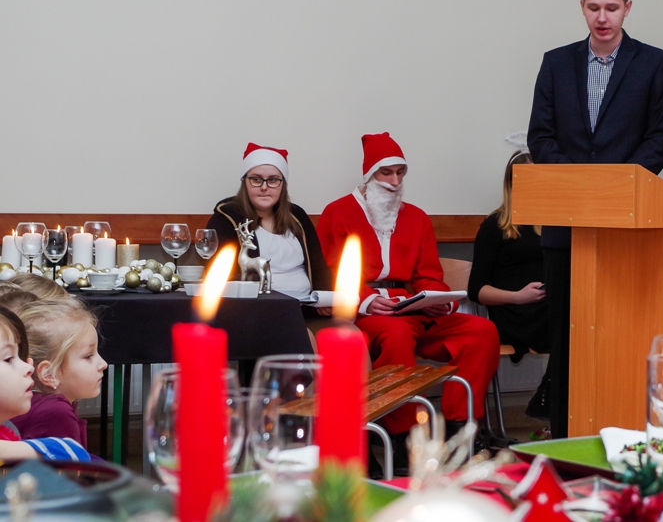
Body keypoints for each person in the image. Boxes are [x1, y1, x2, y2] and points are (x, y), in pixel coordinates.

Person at [526, 0, 663, 438]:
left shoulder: (655, 63)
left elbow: (659, 139)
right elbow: (540, 136)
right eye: (594, 7)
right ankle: (563, 438)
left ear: (628, 7)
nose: (602, 17)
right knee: (566, 341)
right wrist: (582, 185)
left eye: (612, 7)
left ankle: (624, 433)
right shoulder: (556, 62)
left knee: (619, 339)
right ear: (582, 6)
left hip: (626, 227)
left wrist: (611, 186)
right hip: (565, 229)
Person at [317, 132, 500, 471]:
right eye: (386, 173)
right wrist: (366, 300)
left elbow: (429, 274)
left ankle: (461, 428)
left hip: (413, 309)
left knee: (481, 331)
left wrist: (437, 299)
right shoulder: (337, 213)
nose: (395, 181)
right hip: (366, 312)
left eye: (400, 173)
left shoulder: (416, 217)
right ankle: (403, 435)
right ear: (369, 175)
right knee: (396, 335)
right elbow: (330, 271)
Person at [207, 143, 334, 319]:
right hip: (255, 313)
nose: (264, 187)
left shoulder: (297, 216)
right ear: (245, 182)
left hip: (307, 309)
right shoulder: (226, 220)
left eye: (273, 180)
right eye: (256, 179)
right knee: (301, 334)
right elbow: (221, 276)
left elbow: (318, 266)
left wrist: (328, 299)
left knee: (350, 332)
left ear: (283, 184)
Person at [467, 150, 550, 421]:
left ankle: (553, 401)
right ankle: (549, 401)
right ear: (512, 183)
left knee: (580, 322)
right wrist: (518, 297)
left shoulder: (553, 224)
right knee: (570, 327)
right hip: (513, 311)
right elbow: (476, 290)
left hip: (545, 308)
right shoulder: (496, 225)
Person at [10, 299, 108, 448]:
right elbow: (69, 462)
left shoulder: (44, 402)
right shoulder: (55, 411)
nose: (103, 364)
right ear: (49, 374)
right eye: (88, 356)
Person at [0, 305, 91, 462]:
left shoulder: (7, 429)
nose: (29, 367)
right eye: (8, 359)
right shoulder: (55, 409)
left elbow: (73, 452)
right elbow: (72, 455)